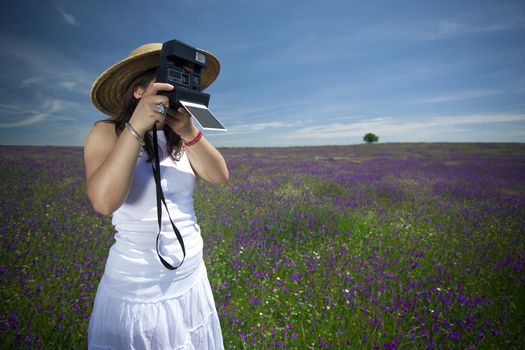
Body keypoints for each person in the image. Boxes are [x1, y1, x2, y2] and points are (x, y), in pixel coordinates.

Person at [84, 42, 228, 349]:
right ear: (139, 90)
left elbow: (219, 175)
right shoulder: (106, 132)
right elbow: (104, 202)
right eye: (167, 79)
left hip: (191, 278)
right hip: (139, 290)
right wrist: (137, 126)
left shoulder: (180, 134)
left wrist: (190, 132)